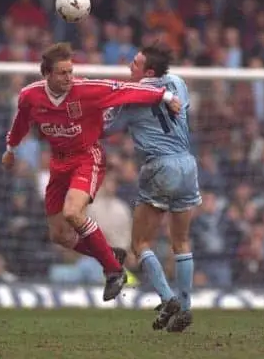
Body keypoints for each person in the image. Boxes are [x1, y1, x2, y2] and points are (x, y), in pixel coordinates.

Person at [2, 42, 181, 301]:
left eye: (70, 71)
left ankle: (113, 271)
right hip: (58, 163)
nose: (69, 77)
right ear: (47, 75)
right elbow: (20, 121)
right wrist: (10, 148)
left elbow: (124, 90)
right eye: (62, 73)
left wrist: (164, 96)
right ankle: (109, 255)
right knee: (59, 235)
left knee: (73, 212)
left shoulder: (85, 90)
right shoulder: (30, 96)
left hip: (88, 157)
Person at [104, 43, 200, 331]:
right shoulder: (179, 83)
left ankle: (168, 298)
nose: (129, 67)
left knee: (139, 243)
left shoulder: (131, 98)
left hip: (159, 166)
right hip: (187, 165)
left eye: (134, 64)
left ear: (148, 72)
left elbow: (106, 129)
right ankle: (185, 308)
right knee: (180, 242)